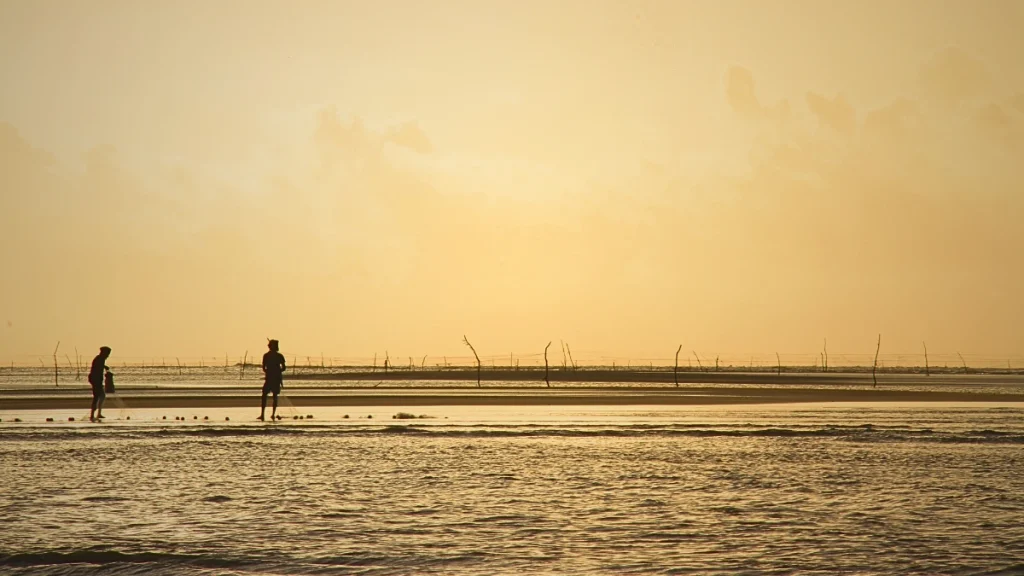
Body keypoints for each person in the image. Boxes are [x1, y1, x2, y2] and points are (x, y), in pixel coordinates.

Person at [259, 339, 286, 421]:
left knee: (268, 396)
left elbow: (264, 368)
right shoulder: (273, 356)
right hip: (273, 379)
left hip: (273, 379)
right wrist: (277, 371)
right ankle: (267, 414)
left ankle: (267, 414)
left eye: (270, 344)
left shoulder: (269, 356)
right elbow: (283, 368)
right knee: (270, 396)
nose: (268, 346)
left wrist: (271, 372)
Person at [88, 346, 111, 421]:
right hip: (95, 380)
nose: (108, 355)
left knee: (102, 396)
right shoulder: (99, 359)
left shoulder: (100, 359)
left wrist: (104, 367)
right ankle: (92, 415)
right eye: (107, 354)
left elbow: (99, 366)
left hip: (96, 380)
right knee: (96, 397)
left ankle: (98, 413)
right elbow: (97, 368)